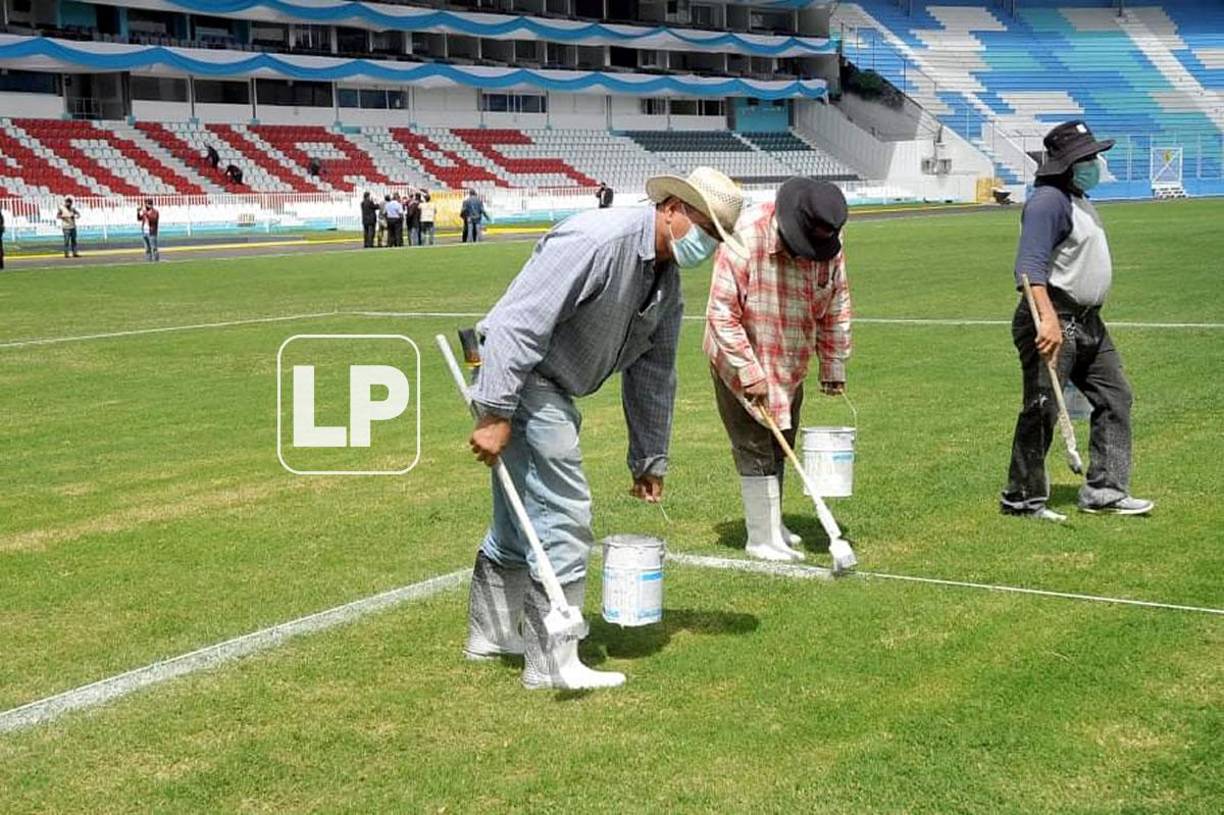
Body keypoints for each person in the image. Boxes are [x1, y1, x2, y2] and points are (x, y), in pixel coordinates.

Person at [463, 167, 746, 690]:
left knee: (515, 521)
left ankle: (492, 634)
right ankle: (554, 661)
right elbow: (515, 325)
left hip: (550, 384)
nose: (708, 246)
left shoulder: (666, 282)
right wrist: (497, 413)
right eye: (706, 230)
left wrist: (649, 458)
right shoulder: (597, 242)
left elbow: (655, 372)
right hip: (524, 377)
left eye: (716, 238)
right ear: (671, 209)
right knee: (564, 512)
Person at [1002, 120, 1153, 520]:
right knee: (1042, 406)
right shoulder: (1048, 201)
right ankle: (1022, 498)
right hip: (1056, 317)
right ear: (1068, 164)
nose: (1095, 163)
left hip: (1088, 322)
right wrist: (1047, 321)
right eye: (1088, 158)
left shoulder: (1077, 197)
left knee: (1115, 396)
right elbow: (1029, 268)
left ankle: (1105, 490)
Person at [705, 178, 852, 562]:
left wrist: (832, 363)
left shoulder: (829, 248)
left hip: (790, 360)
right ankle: (760, 537)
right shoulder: (745, 236)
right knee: (754, 444)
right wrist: (747, 369)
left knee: (780, 441)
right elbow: (722, 313)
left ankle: (775, 526)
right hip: (741, 357)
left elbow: (836, 306)